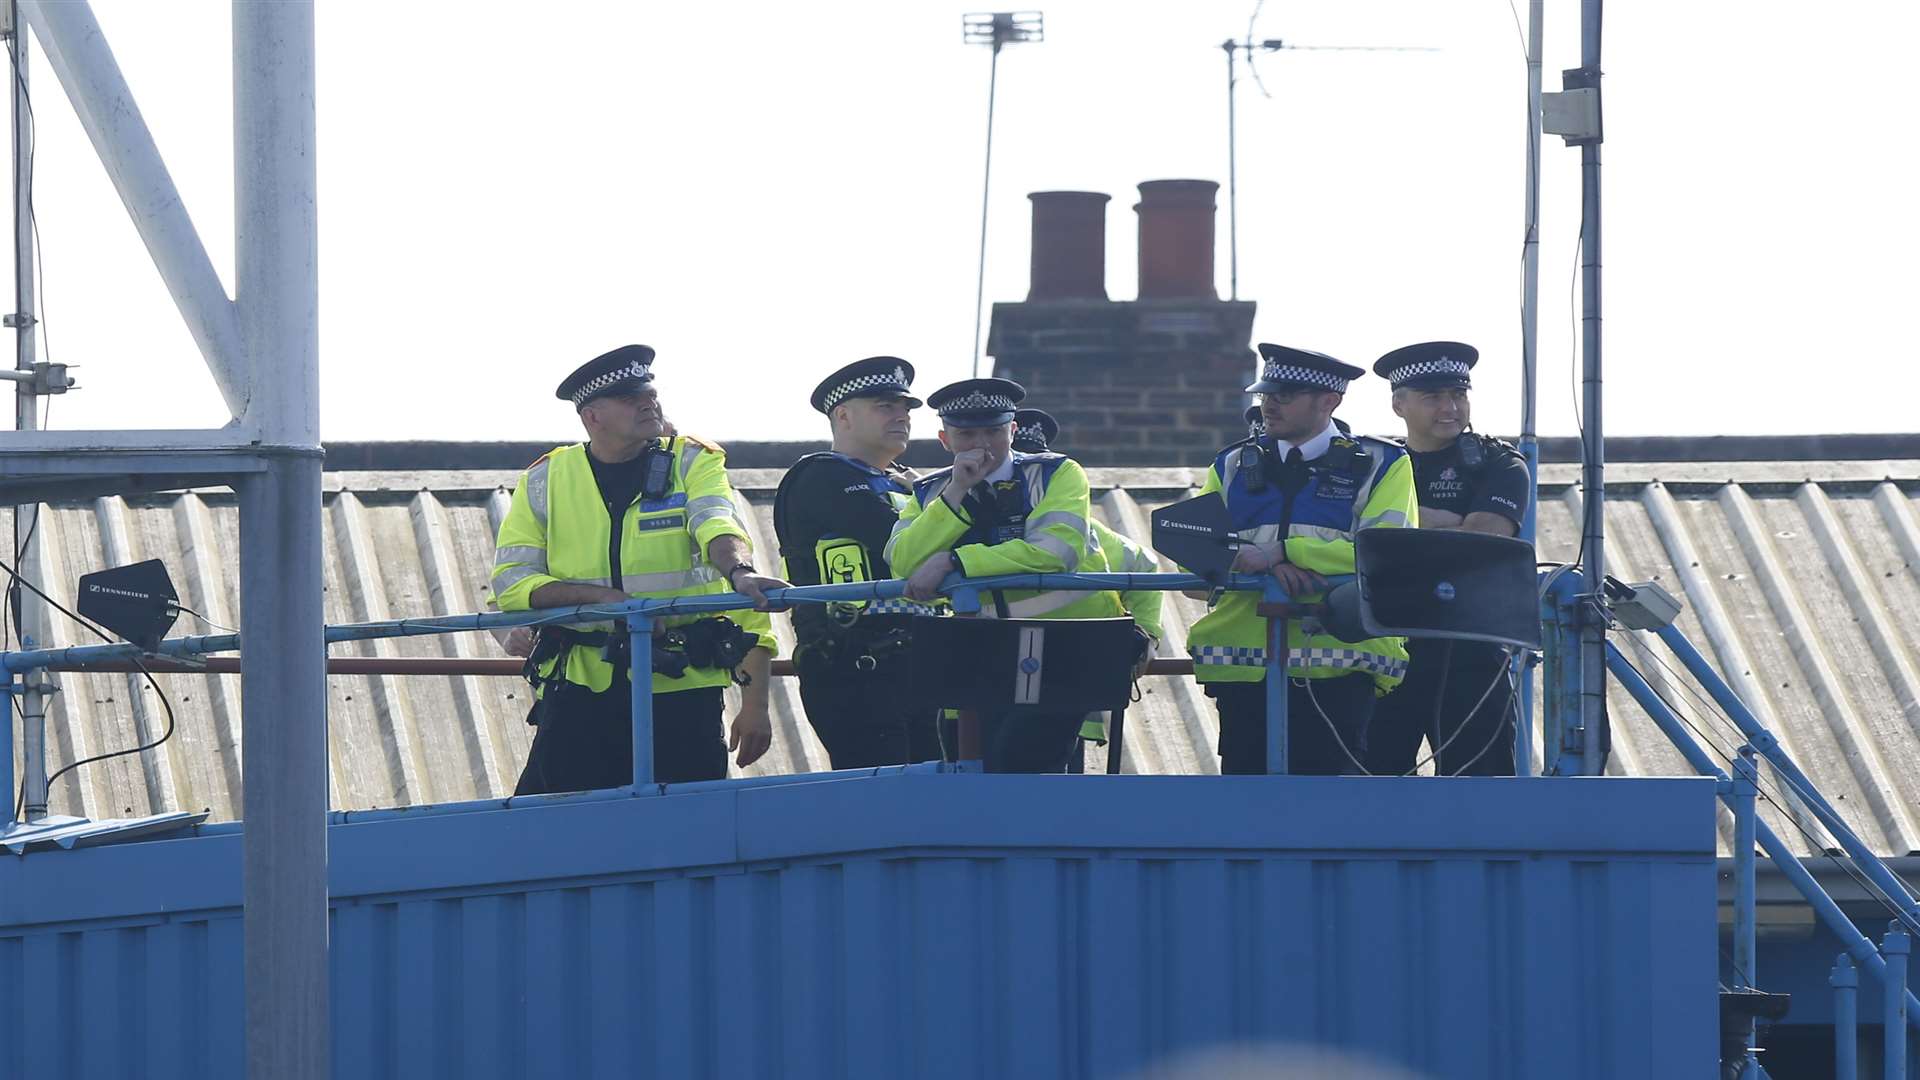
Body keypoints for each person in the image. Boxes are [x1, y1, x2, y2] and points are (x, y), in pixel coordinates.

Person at [491, 344, 786, 793]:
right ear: (593, 417)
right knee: (553, 828)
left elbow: (716, 524)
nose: (648, 403)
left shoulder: (693, 461)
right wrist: (606, 602)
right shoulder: (545, 479)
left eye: (650, 394)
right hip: (578, 690)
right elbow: (511, 584)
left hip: (681, 689)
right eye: (631, 398)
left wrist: (739, 572)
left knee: (686, 831)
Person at [1184, 344, 1418, 775]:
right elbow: (1196, 554)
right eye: (1265, 394)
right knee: (1247, 814)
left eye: (1285, 395)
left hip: (1340, 666)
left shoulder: (1382, 464)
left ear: (1330, 401)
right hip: (1245, 665)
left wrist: (1283, 551)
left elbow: (1388, 553)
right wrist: (1268, 565)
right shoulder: (1233, 464)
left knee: (1329, 817)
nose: (1270, 404)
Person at [886, 379, 1125, 773]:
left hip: (1062, 650)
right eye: (967, 434)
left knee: (1021, 769)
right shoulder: (931, 491)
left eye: (994, 431)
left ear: (1012, 431)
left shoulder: (1056, 474)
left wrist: (956, 561)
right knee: (969, 771)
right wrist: (957, 491)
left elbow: (1055, 552)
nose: (983, 444)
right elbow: (903, 561)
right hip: (977, 653)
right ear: (945, 439)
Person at [1362, 341, 1531, 776]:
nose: (1450, 407)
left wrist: (1405, 527)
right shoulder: (1371, 466)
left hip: (1471, 647)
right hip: (1390, 646)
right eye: (1433, 396)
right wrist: (1438, 521)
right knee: (1375, 789)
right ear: (1399, 404)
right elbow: (1360, 541)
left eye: (1458, 394)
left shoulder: (1500, 463)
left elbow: (1483, 540)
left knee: (1481, 790)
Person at [773, 357, 942, 768]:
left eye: (905, 408)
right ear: (843, 415)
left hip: (917, 666)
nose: (901, 415)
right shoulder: (823, 477)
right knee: (885, 809)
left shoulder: (904, 484)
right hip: (856, 670)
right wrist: (942, 501)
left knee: (936, 809)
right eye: (885, 406)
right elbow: (905, 547)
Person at [1011, 407, 1159, 771]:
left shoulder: (1085, 532)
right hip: (1005, 685)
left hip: (1062, 692)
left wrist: (1142, 637)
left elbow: (1145, 568)